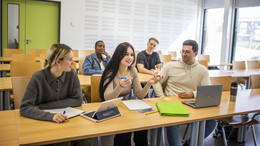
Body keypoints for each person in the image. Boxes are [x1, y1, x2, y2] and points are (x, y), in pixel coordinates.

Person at [152, 40, 216, 146]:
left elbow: (207, 91)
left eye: (187, 52)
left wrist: (193, 94)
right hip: (172, 103)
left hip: (191, 104)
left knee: (211, 122)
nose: (183, 54)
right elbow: (156, 82)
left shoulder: (202, 70)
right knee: (172, 122)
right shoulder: (170, 66)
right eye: (182, 51)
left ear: (195, 54)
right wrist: (161, 97)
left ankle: (189, 144)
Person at [99, 42, 162, 146]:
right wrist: (120, 86)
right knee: (125, 131)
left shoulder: (133, 70)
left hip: (126, 107)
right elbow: (107, 98)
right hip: (111, 107)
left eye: (132, 54)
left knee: (142, 127)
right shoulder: (110, 72)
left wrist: (149, 84)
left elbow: (139, 94)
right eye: (126, 54)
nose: (130, 57)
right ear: (119, 56)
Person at [20, 43, 82, 122]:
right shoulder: (37, 77)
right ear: (58, 62)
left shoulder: (72, 73)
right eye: (70, 59)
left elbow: (78, 100)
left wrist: (41, 106)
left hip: (65, 120)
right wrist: (51, 116)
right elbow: (24, 108)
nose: (73, 62)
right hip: (40, 122)